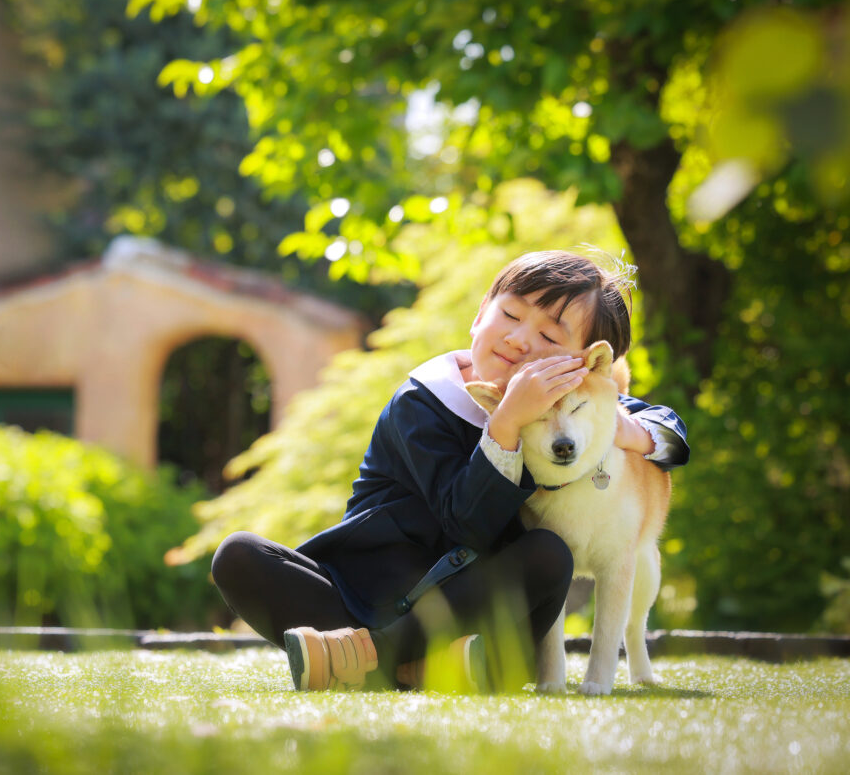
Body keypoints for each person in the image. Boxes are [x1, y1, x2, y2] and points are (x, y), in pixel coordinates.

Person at [210, 250, 689, 692]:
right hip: (365, 595)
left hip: (472, 611)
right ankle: (398, 662)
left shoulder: (574, 411)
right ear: (480, 313)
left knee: (548, 554)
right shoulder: (423, 399)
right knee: (238, 555)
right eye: (510, 315)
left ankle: (363, 664)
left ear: (580, 368)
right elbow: (467, 523)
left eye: (548, 337)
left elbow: (670, 431)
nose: (520, 339)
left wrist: (626, 433)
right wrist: (504, 424)